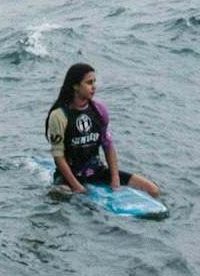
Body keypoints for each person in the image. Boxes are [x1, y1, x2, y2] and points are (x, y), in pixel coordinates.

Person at [45, 63, 160, 198]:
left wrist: (115, 180)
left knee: (153, 190)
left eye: (94, 81)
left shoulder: (99, 110)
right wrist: (79, 188)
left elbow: (108, 146)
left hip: (97, 172)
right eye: (89, 82)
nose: (94, 86)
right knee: (63, 194)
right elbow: (58, 156)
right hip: (68, 178)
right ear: (75, 85)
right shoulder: (59, 116)